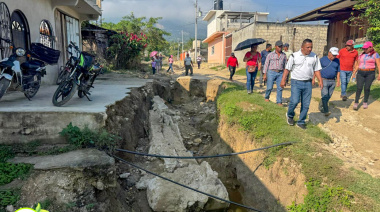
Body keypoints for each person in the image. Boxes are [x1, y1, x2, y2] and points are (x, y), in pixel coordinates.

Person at [280, 39, 323, 129]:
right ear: (302, 47)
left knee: (306, 103)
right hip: (296, 82)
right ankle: (290, 115)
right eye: (308, 47)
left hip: (308, 83)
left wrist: (320, 80)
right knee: (295, 101)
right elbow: (287, 69)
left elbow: (317, 69)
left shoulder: (314, 56)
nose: (310, 49)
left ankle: (301, 121)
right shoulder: (294, 56)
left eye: (311, 47)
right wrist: (283, 80)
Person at [352, 41, 380, 110]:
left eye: (366, 48)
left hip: (370, 73)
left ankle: (365, 101)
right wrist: (354, 73)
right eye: (363, 48)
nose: (364, 50)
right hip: (360, 73)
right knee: (359, 88)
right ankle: (356, 102)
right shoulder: (361, 54)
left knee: (367, 88)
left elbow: (378, 65)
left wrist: (379, 74)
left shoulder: (375, 55)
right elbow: (358, 65)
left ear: (371, 47)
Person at [314, 47, 340, 116]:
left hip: (332, 81)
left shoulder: (337, 61)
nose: (334, 57)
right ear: (329, 53)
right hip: (324, 80)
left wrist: (338, 80)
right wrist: (314, 79)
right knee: (325, 95)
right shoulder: (322, 60)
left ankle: (321, 104)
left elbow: (338, 71)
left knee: (329, 96)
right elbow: (316, 69)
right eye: (333, 55)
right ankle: (326, 110)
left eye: (335, 55)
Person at [263, 40, 287, 106]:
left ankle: (279, 101)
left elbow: (285, 65)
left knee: (280, 88)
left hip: (280, 73)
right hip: (271, 72)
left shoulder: (284, 55)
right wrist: (265, 74)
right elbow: (266, 64)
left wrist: (285, 77)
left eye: (281, 46)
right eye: (279, 46)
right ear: (275, 46)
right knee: (269, 87)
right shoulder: (270, 55)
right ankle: (267, 97)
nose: (280, 48)